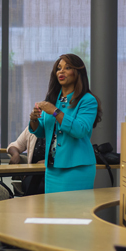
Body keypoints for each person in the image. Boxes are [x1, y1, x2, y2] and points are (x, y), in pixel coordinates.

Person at [29, 53, 102, 194]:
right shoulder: (52, 99)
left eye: (67, 67)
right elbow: (42, 131)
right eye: (58, 68)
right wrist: (34, 120)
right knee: (52, 213)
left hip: (77, 169)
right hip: (52, 169)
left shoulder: (87, 100)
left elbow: (80, 130)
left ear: (78, 72)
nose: (61, 71)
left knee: (74, 213)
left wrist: (55, 112)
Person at [7, 127, 46, 196]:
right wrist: (15, 154)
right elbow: (14, 145)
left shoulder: (60, 128)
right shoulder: (32, 128)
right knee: (34, 187)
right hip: (33, 174)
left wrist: (47, 161)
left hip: (53, 173)